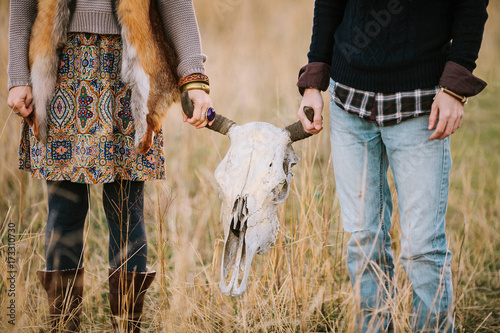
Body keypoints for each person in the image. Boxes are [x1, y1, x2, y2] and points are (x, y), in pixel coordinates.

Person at [7, 0, 214, 331]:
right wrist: (18, 74)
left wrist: (194, 76)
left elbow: (175, 4)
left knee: (126, 210)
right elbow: (21, 9)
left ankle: (127, 327)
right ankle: (63, 326)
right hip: (60, 70)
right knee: (64, 210)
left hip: (131, 72)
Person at [296, 0, 488, 332]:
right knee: (363, 240)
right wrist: (314, 81)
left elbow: (471, 6)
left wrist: (455, 84)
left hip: (420, 104)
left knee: (422, 247)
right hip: (349, 102)